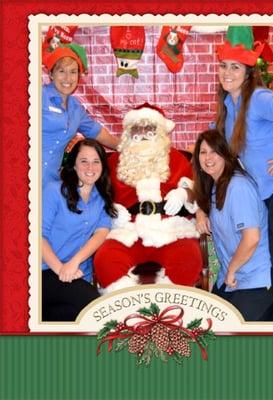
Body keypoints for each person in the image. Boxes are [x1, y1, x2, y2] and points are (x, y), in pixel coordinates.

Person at [197, 26, 273, 318]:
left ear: (248, 72)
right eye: (223, 66)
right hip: (260, 193)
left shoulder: (260, 99)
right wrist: (200, 207)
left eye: (235, 67)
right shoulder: (228, 108)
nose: (227, 72)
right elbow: (209, 153)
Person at [93, 103, 202, 293]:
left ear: (160, 132)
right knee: (106, 260)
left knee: (189, 257)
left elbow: (196, 190)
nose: (143, 133)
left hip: (170, 230)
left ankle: (168, 304)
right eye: (137, 129)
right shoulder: (113, 162)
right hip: (129, 230)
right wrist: (111, 209)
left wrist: (184, 193)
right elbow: (97, 196)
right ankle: (128, 306)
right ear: (128, 133)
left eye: (149, 129)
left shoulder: (177, 158)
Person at [193, 130, 273, 321]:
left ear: (226, 154)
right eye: (203, 152)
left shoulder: (238, 187)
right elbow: (195, 195)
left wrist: (231, 269)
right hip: (229, 280)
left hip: (254, 282)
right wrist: (200, 213)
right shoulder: (215, 185)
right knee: (203, 329)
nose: (208, 158)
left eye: (214, 152)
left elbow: (252, 237)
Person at [42, 138, 117, 321]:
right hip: (45, 270)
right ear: (74, 165)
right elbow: (38, 237)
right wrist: (61, 269)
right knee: (94, 307)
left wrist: (74, 263)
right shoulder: (54, 191)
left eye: (96, 161)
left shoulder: (102, 197)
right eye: (84, 161)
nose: (90, 167)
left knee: (69, 317)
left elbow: (101, 233)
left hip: (78, 273)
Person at [42, 42, 119, 187]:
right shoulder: (38, 96)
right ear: (51, 73)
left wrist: (131, 146)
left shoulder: (76, 109)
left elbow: (100, 134)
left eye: (73, 72)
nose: (67, 78)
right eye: (61, 71)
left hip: (50, 183)